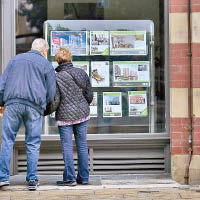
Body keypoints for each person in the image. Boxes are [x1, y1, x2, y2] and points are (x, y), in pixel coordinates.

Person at [0, 38, 56, 190]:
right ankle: (32, 179)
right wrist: (44, 107)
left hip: (13, 104)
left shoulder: (14, 60)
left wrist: (1, 103)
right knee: (32, 143)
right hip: (34, 107)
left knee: (7, 141)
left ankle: (3, 178)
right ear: (44, 51)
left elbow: (2, 83)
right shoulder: (46, 65)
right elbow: (51, 93)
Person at [45, 48, 93, 186]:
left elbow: (55, 102)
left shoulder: (56, 77)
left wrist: (43, 112)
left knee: (67, 147)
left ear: (58, 61)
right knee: (82, 146)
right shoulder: (82, 73)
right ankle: (84, 178)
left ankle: (70, 178)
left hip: (64, 116)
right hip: (83, 114)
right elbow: (89, 96)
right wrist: (82, 105)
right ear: (70, 59)